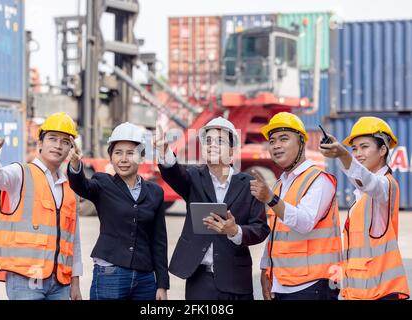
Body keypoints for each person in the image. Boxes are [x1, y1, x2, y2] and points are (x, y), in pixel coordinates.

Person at [155, 117, 270, 300]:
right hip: (200, 280)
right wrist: (165, 151)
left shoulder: (249, 185)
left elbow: (261, 228)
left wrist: (236, 231)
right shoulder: (193, 178)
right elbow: (174, 174)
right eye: (208, 141)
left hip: (236, 280)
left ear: (232, 151)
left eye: (220, 141)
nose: (212, 145)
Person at [0, 112, 83, 300]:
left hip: (60, 282)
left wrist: (75, 282)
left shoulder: (69, 189)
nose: (58, 145)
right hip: (25, 279)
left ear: (71, 148)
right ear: (39, 144)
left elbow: (73, 241)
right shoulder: (21, 173)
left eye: (65, 141)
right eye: (52, 139)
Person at [67, 122, 169, 300]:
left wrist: (161, 284)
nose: (123, 159)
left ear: (142, 158)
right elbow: (81, 185)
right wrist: (76, 164)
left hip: (144, 278)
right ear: (111, 157)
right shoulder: (103, 183)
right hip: (110, 274)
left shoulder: (155, 192)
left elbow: (159, 241)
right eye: (118, 153)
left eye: (131, 153)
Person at [253, 112, 342, 300]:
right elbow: (275, 234)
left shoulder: (319, 180)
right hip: (282, 283)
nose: (276, 145)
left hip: (314, 285)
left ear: (301, 142)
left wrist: (271, 198)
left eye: (284, 139)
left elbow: (304, 222)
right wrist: (265, 270)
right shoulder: (280, 185)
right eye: (272, 141)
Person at [319, 116, 410, 300]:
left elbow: (369, 182)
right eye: (354, 148)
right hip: (361, 291)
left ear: (383, 150)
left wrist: (343, 154)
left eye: (364, 146)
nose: (358, 153)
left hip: (382, 291)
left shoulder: (386, 186)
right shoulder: (361, 195)